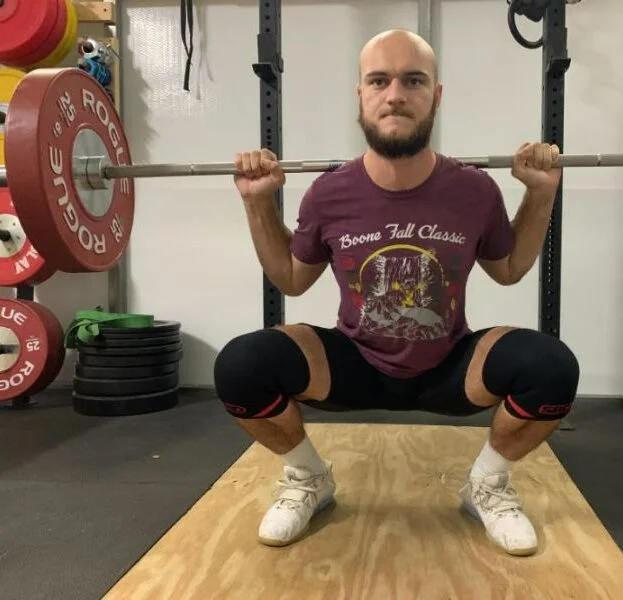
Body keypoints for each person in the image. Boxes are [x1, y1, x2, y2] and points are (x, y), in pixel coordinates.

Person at [214, 28, 579, 557]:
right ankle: (309, 476)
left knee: (551, 367)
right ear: (360, 95)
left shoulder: (474, 189)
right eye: (379, 81)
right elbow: (291, 279)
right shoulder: (329, 193)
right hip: (354, 363)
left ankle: (487, 485)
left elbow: (509, 269)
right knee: (241, 366)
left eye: (413, 81)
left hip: (448, 366)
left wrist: (541, 193)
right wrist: (256, 202)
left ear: (436, 95)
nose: (395, 95)